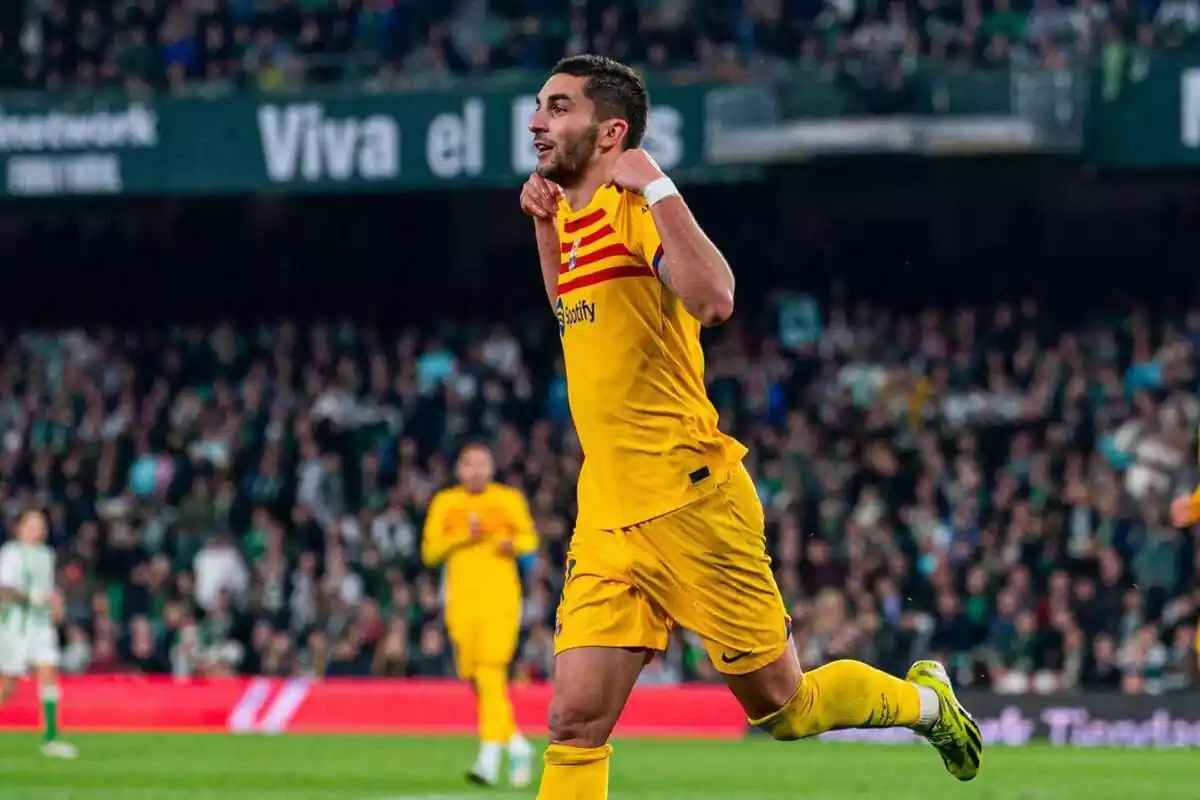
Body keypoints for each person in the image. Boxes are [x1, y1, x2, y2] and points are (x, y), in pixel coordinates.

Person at [519, 54, 982, 798]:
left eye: (558, 107)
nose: (538, 121)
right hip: (608, 509)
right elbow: (575, 322)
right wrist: (545, 231)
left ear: (610, 132)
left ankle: (925, 703)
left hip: (691, 500)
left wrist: (659, 184)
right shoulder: (570, 216)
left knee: (784, 708)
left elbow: (715, 299)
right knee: (574, 724)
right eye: (540, 106)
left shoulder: (635, 209)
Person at [421, 441, 538, 788]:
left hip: (500, 600)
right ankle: (517, 744)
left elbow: (530, 541)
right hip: (461, 604)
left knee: (490, 672)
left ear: (492, 467)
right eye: (469, 464)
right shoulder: (446, 503)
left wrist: (512, 545)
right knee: (478, 679)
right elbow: (430, 551)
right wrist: (462, 536)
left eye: (482, 463)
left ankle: (488, 758)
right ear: (459, 469)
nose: (476, 470)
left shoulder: (507, 500)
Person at [0, 508, 77, 758]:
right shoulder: (11, 553)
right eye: (32, 523)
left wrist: (56, 605)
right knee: (7, 687)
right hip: (16, 628)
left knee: (49, 674)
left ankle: (51, 738)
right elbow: (5, 591)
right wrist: (34, 598)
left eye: (41, 523)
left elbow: (48, 590)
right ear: (20, 528)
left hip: (41, 627)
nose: (38, 528)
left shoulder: (47, 555)